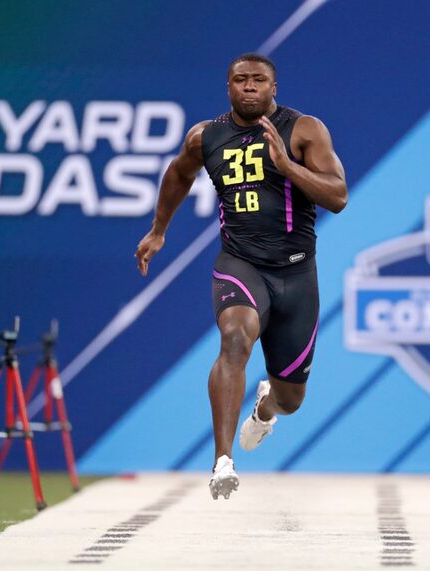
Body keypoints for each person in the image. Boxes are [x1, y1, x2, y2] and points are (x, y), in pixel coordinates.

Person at [135, 53, 347, 499]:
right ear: (228, 88)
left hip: (296, 274)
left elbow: (338, 196)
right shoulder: (205, 136)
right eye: (239, 80)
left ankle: (264, 412)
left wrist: (287, 167)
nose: (249, 86)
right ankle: (222, 462)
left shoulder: (304, 129)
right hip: (241, 263)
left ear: (274, 87)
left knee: (291, 400)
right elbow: (178, 174)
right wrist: (158, 231)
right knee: (235, 336)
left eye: (258, 80)